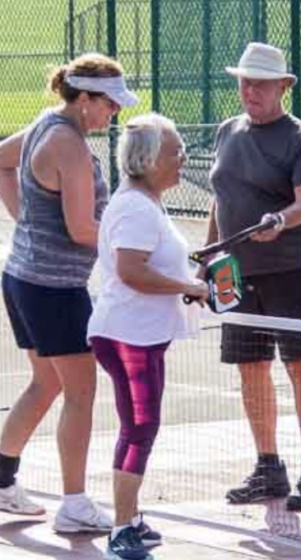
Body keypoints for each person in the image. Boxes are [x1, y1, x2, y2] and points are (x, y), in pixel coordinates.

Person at [0, 53, 138, 535]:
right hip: (54, 291)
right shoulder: (70, 146)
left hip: (22, 279)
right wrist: (136, 247)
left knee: (46, 384)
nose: (115, 114)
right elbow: (82, 227)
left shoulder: (47, 123)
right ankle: (74, 505)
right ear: (84, 98)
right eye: (109, 104)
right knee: (81, 392)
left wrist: (26, 220)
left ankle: (0, 483)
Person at [207, 42, 301, 511]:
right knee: (250, 368)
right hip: (238, 271)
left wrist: (278, 221)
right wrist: (210, 259)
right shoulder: (227, 131)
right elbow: (220, 201)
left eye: (260, 82)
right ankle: (268, 466)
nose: (250, 90)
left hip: (295, 269)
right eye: (244, 81)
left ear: (283, 87)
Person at [88, 113, 210, 560]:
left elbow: (151, 266)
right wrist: (188, 287)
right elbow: (131, 271)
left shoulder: (147, 202)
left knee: (140, 426)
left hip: (140, 333)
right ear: (148, 159)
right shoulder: (136, 207)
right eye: (175, 152)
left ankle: (132, 518)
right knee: (140, 428)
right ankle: (122, 527)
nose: (182, 159)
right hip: (128, 335)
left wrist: (190, 281)